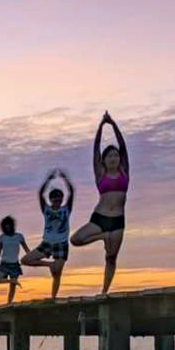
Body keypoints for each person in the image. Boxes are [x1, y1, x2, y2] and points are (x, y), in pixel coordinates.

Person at [70, 111, 129, 294]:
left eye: (116, 156)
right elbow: (95, 149)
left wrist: (113, 124)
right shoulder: (100, 174)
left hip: (118, 221)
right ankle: (102, 237)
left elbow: (123, 146)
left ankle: (104, 291)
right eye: (110, 156)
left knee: (111, 258)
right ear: (104, 160)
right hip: (100, 219)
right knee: (75, 239)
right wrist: (101, 127)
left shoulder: (124, 171)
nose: (114, 158)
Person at [22, 168, 75, 299]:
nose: (57, 200)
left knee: (57, 273)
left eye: (59, 198)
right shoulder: (46, 209)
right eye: (54, 198)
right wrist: (47, 180)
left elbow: (71, 192)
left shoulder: (66, 209)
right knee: (25, 260)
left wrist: (65, 179)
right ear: (51, 199)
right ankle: (49, 265)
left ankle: (53, 298)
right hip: (47, 243)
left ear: (62, 199)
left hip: (61, 244)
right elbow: (40, 194)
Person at [0, 216, 30, 304]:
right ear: (3, 227)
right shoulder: (1, 238)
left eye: (9, 225)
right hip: (4, 264)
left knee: (12, 288)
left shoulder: (19, 236)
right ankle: (11, 280)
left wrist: (30, 257)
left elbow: (26, 248)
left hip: (15, 264)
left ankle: (9, 304)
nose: (7, 227)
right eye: (5, 226)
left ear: (12, 225)